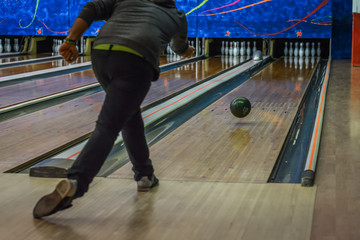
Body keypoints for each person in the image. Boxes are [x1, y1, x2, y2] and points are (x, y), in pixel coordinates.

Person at [33, 0, 195, 218]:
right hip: (136, 60)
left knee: (128, 114)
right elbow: (179, 47)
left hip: (101, 54)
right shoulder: (178, 16)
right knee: (109, 125)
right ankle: (76, 181)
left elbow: (91, 8)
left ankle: (145, 175)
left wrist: (71, 40)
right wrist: (188, 51)